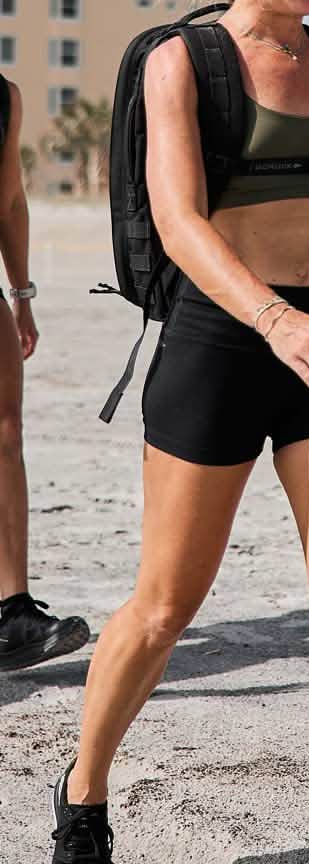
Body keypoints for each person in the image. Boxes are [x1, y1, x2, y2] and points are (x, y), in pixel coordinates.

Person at [50, 0, 309, 864]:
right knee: (166, 606)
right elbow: (176, 220)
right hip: (222, 337)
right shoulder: (183, 59)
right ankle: (84, 789)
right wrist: (270, 320)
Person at [0, 78, 90, 671]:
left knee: (6, 437)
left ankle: (12, 613)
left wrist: (22, 293)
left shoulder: (5, 96)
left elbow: (8, 198)